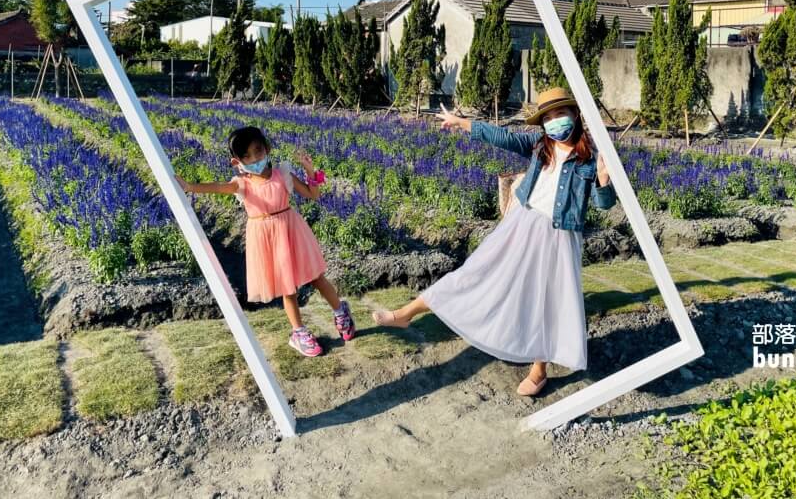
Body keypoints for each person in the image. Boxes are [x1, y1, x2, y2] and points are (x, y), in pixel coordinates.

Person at [372, 87, 616, 397]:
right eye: (549, 117)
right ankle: (406, 314)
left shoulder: (590, 158)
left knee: (547, 302)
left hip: (560, 236)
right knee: (474, 272)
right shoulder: (540, 145)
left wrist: (604, 179)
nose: (556, 122)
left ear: (574, 115)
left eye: (561, 114)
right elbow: (504, 138)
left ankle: (539, 370)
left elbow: (604, 204)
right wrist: (463, 124)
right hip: (522, 225)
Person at [176, 126, 355, 357]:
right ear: (236, 161)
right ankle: (298, 332)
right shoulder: (242, 184)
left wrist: (310, 172)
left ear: (267, 149)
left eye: (258, 152)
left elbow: (313, 195)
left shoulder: (283, 175)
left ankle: (341, 311)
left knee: (315, 277)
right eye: (247, 156)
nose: (254, 159)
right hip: (267, 239)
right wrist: (190, 187)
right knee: (287, 288)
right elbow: (219, 187)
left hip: (292, 231)